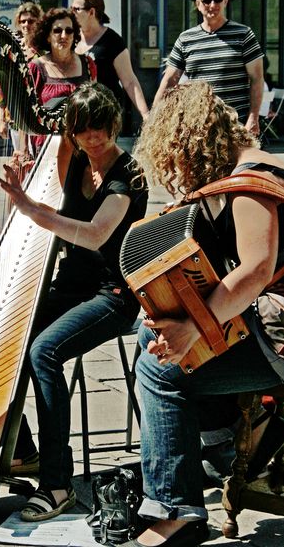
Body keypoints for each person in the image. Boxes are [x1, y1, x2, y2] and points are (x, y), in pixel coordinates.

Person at [120, 81, 284, 547]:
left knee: (158, 368)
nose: (176, 173)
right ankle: (215, 444)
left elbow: (255, 271)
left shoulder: (253, 181)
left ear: (189, 140)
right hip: (273, 322)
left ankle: (176, 508)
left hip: (281, 332)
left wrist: (194, 327)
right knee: (148, 332)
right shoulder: (257, 165)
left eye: (174, 158)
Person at [0, 81, 147, 522]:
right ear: (72, 132)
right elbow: (47, 209)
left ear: (114, 125)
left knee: (44, 352)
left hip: (113, 295)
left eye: (100, 128)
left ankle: (58, 484)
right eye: (83, 130)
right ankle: (24, 449)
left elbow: (96, 233)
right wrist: (22, 195)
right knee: (7, 333)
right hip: (71, 287)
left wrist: (29, 208)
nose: (93, 138)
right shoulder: (77, 158)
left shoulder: (127, 175)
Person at [153, 0, 264, 137]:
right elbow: (169, 81)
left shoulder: (244, 35)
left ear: (225, 1)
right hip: (198, 128)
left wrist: (253, 117)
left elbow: (257, 78)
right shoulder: (186, 39)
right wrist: (153, 119)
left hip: (236, 127)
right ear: (198, 4)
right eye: (207, 1)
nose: (212, 5)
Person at [27, 7, 97, 157]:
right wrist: (22, 151)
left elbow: (96, 104)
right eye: (57, 31)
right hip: (47, 147)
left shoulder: (88, 64)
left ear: (74, 36)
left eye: (69, 31)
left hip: (83, 145)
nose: (63, 36)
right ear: (47, 36)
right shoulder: (35, 68)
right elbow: (26, 112)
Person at [71, 0, 149, 121]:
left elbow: (129, 81)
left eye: (76, 9)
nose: (71, 13)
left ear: (91, 12)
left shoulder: (112, 41)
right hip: (79, 110)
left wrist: (145, 113)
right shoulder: (71, 38)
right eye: (71, 8)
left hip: (105, 110)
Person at [0, 2, 44, 142]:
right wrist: (1, 120)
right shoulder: (12, 48)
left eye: (31, 21)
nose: (26, 24)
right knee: (19, 159)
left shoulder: (45, 50)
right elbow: (2, 86)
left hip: (39, 118)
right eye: (23, 21)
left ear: (38, 22)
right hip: (15, 115)